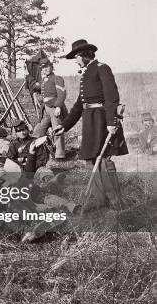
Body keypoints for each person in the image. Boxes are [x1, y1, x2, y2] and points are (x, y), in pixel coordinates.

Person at [54, 39, 128, 211]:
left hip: (102, 120)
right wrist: (64, 126)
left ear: (86, 55)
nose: (76, 61)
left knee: (103, 160)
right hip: (89, 120)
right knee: (90, 159)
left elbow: (111, 96)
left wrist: (111, 122)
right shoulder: (85, 74)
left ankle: (116, 204)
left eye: (77, 57)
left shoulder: (102, 68)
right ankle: (99, 201)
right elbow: (79, 105)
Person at [33, 57, 67, 160]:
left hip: (54, 108)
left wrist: (58, 107)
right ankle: (36, 151)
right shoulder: (45, 79)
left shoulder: (57, 78)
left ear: (51, 67)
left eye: (47, 67)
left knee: (57, 131)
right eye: (43, 68)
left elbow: (62, 94)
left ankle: (60, 155)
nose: (45, 69)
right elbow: (39, 87)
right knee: (39, 130)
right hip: (46, 110)